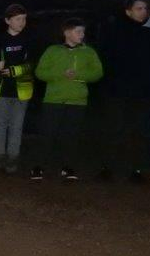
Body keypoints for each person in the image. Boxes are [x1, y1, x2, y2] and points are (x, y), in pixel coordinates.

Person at [98, 0, 150, 182]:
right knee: (114, 128)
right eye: (139, 8)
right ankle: (108, 168)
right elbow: (106, 59)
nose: (143, 12)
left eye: (145, 8)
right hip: (117, 91)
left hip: (142, 93)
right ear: (128, 11)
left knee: (138, 131)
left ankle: (135, 170)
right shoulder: (114, 32)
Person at [31, 18, 104, 180]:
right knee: (47, 134)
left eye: (83, 31)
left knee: (71, 136)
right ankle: (39, 167)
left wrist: (78, 75)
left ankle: (68, 167)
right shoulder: (52, 50)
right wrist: (60, 74)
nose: (82, 34)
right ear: (67, 33)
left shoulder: (89, 52)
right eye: (78, 31)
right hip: (53, 100)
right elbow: (40, 72)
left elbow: (98, 73)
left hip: (77, 101)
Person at [0, 3, 35, 173]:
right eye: (18, 19)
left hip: (21, 91)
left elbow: (33, 64)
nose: (22, 22)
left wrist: (16, 70)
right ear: (7, 20)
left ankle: (13, 158)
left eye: (24, 19)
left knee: (16, 126)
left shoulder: (29, 40)